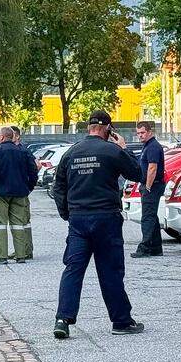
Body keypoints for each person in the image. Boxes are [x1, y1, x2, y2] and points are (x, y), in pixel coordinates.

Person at [51, 110, 145, 340]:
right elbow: (137, 173)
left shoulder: (71, 153)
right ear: (108, 129)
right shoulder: (111, 150)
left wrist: (67, 214)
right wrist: (122, 148)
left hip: (79, 220)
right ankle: (121, 321)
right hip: (106, 218)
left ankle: (63, 319)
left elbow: (58, 188)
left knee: (73, 269)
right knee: (110, 271)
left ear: (89, 127)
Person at [0, 127, 39, 264]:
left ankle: (2, 256)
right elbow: (33, 170)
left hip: (0, 193)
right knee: (18, 225)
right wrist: (29, 187)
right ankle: (21, 255)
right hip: (20, 193)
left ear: (2, 137)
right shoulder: (23, 151)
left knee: (0, 224)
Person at [132, 121, 166, 258]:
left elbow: (153, 167)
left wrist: (147, 187)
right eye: (138, 133)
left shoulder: (152, 147)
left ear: (149, 132)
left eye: (142, 132)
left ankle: (145, 248)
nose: (140, 135)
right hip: (152, 185)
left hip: (153, 186)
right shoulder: (148, 146)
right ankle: (156, 248)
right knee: (152, 216)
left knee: (147, 217)